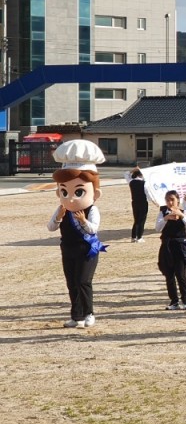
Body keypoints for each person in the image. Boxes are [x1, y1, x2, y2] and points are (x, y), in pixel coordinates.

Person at [47, 140, 107, 328]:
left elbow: (93, 229)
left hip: (87, 249)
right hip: (68, 247)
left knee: (83, 281)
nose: (70, 197)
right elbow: (51, 228)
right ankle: (76, 315)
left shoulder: (92, 210)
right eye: (64, 191)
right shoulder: (62, 209)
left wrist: (82, 221)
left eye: (78, 191)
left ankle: (89, 313)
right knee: (71, 282)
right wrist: (59, 216)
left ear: (95, 193)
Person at [156, 190, 186, 311]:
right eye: (168, 200)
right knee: (169, 274)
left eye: (172, 199)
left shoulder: (184, 212)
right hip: (167, 246)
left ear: (178, 200)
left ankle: (185, 299)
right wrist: (166, 218)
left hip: (180, 246)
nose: (170, 202)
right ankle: (174, 300)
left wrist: (181, 215)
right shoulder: (162, 213)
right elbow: (158, 228)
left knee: (181, 274)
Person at [127, 167, 149, 243]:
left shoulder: (131, 181)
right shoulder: (144, 183)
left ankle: (133, 237)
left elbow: (127, 174)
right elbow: (149, 194)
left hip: (134, 202)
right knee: (142, 220)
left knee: (136, 220)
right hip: (143, 202)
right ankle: (139, 237)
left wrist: (133, 170)